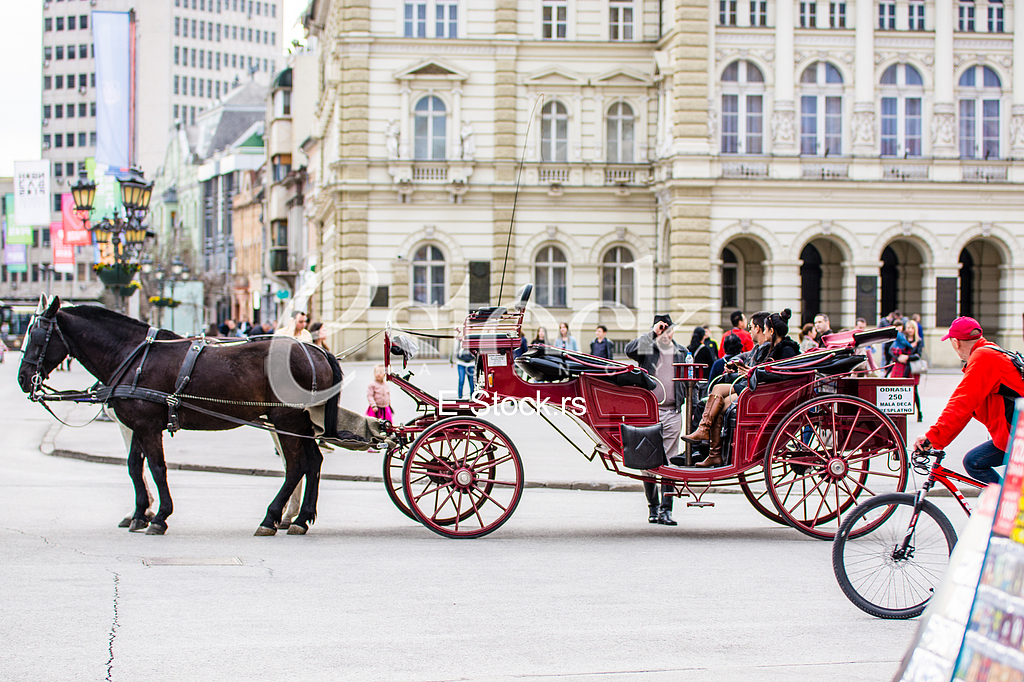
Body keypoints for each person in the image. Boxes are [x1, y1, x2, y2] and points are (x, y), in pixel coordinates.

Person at [914, 317, 1024, 485]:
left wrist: (933, 437)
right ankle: (1007, 504)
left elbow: (961, 404)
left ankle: (1009, 507)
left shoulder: (983, 358)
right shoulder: (991, 351)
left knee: (975, 463)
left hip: (1017, 436)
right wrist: (936, 439)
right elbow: (967, 408)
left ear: (956, 342)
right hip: (1014, 434)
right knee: (974, 461)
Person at [682, 309, 799, 468]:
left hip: (764, 393)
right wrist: (747, 370)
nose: (763, 332)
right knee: (719, 398)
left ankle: (705, 433)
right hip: (757, 387)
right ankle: (713, 450)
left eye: (765, 329)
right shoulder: (770, 348)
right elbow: (762, 367)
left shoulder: (785, 349)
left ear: (771, 331)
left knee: (719, 394)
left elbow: (781, 376)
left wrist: (752, 372)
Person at [625, 314, 693, 526]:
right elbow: (629, 350)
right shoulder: (648, 348)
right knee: (646, 462)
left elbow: (691, 381)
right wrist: (652, 333)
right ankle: (653, 508)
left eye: (668, 329)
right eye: (662, 329)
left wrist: (691, 407)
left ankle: (666, 510)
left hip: (673, 412)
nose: (665, 333)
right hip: (650, 413)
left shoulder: (682, 352)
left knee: (670, 462)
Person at [888, 318, 924, 420]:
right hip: (900, 366)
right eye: (908, 327)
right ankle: (898, 412)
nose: (909, 330)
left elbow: (918, 355)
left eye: (912, 328)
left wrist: (907, 358)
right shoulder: (901, 339)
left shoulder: (918, 341)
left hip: (911, 368)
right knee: (898, 389)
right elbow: (891, 350)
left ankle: (919, 412)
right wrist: (898, 358)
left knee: (914, 391)